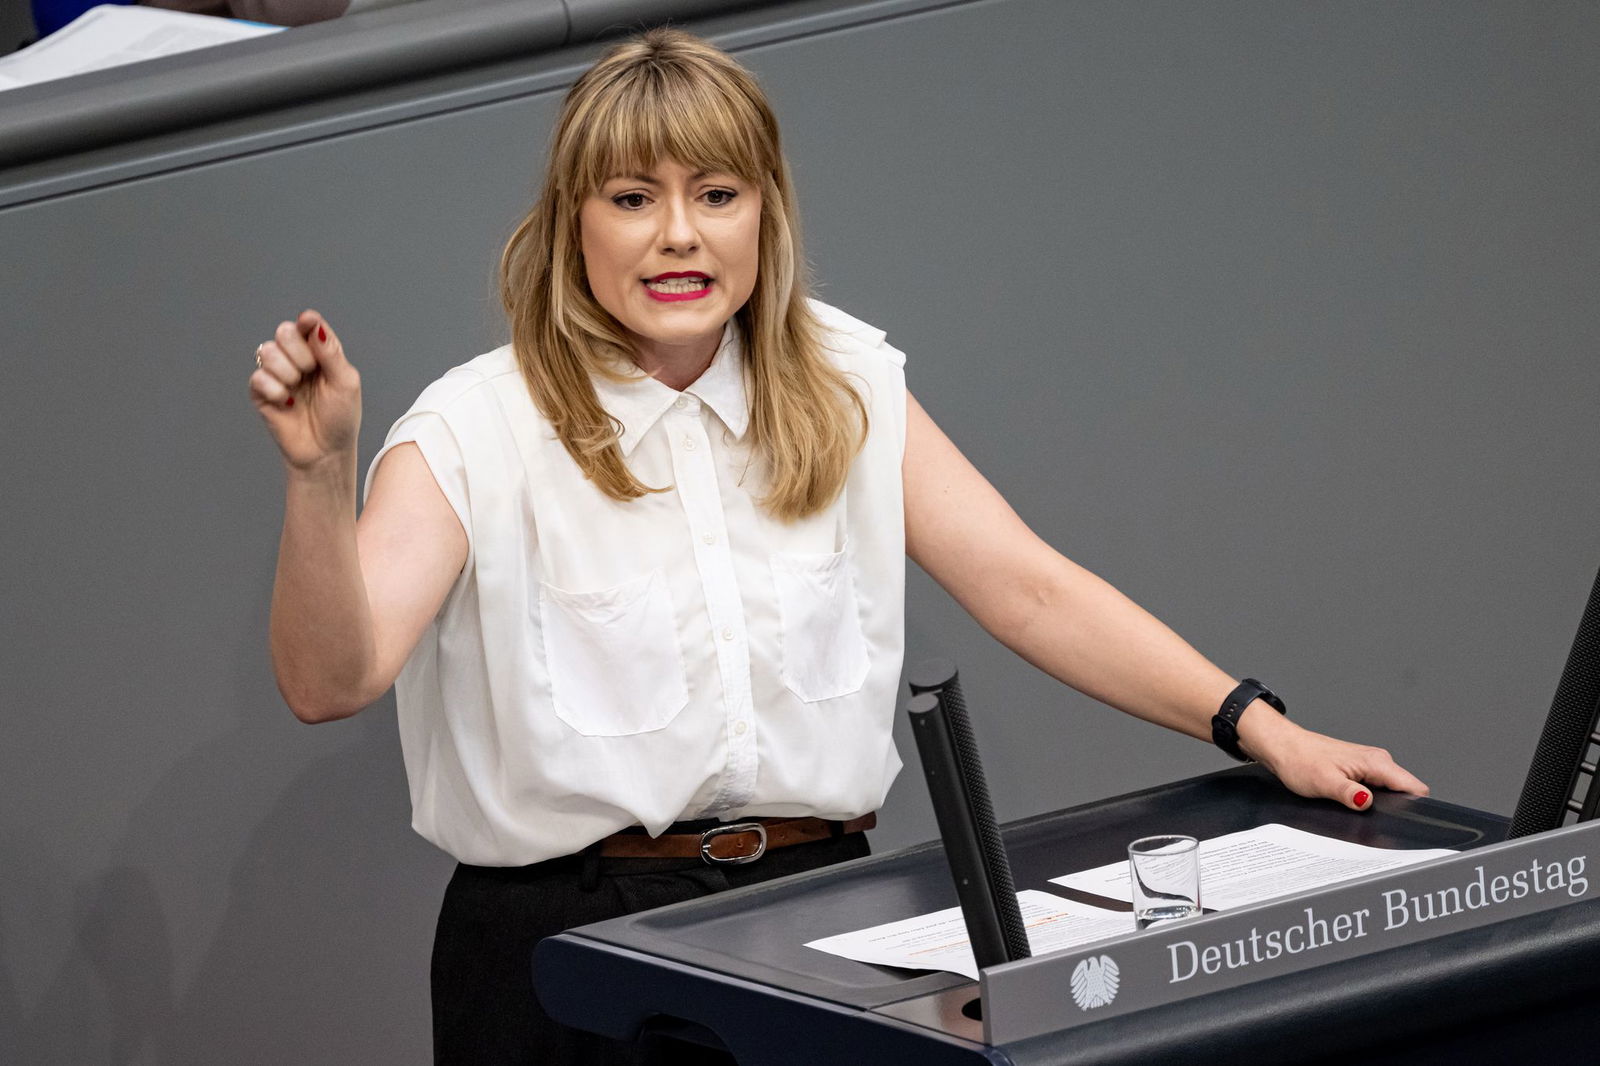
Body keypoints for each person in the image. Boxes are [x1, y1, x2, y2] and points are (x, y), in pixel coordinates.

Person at [248, 27, 1428, 1066]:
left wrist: (1262, 727)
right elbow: (328, 680)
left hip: (822, 918)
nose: (679, 237)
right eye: (629, 198)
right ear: (570, 223)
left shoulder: (845, 377)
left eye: (716, 193)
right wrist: (318, 474)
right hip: (568, 954)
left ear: (765, 210)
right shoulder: (476, 423)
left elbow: (1029, 587)